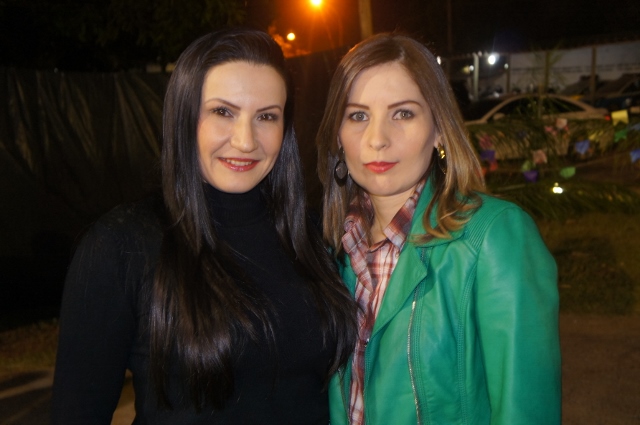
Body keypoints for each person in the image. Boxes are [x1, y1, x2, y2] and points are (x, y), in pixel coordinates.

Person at [52, 28, 358, 424]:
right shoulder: (120, 246)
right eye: (222, 112)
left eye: (266, 116)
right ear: (184, 117)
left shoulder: (314, 236)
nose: (245, 141)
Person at [316, 33, 561, 425]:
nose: (377, 139)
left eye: (403, 114)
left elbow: (526, 410)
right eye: (358, 116)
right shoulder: (332, 252)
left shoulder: (494, 238)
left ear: (439, 129)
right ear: (337, 135)